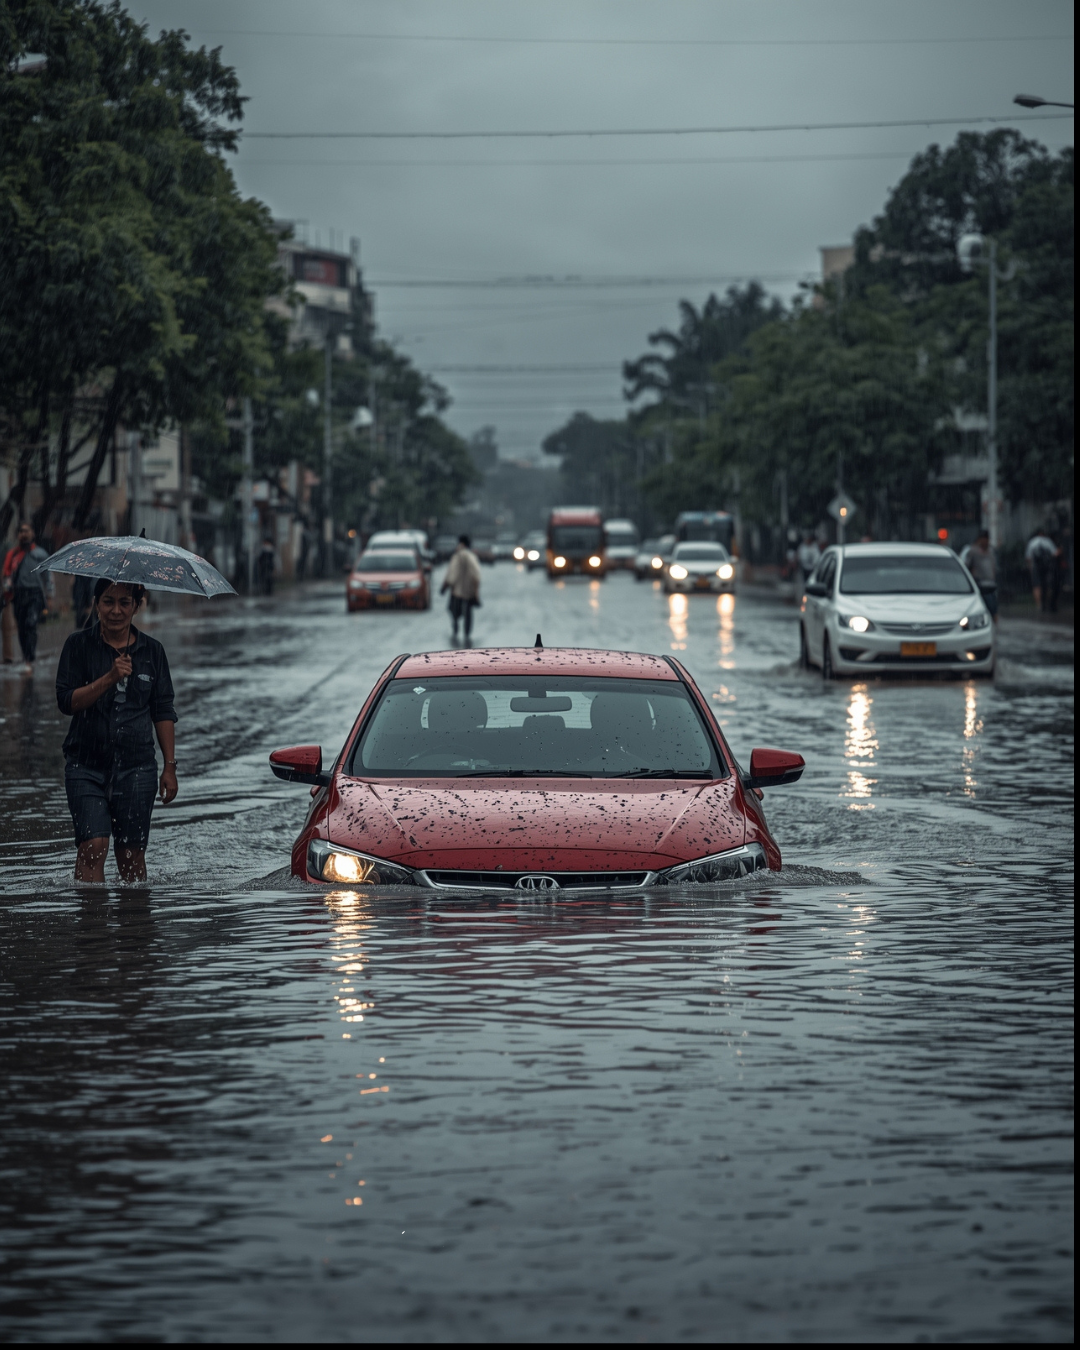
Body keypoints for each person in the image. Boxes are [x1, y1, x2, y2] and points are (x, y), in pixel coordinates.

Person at [55, 579, 178, 883]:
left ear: (138, 606)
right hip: (85, 765)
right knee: (93, 846)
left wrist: (170, 767)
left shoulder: (152, 652)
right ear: (96, 604)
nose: (116, 611)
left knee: (131, 854)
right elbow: (66, 702)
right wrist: (109, 678)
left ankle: (134, 926)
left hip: (137, 767)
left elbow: (162, 710)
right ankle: (92, 926)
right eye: (108, 601)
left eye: (125, 603)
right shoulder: (77, 645)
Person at [2, 521, 53, 672]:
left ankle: (30, 659)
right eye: (21, 531)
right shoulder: (13, 555)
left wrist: (50, 595)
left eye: (26, 531)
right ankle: (26, 656)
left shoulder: (40, 554)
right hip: (19, 595)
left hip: (35, 594)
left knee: (31, 623)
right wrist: (6, 593)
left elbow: (48, 576)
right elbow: (8, 576)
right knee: (22, 627)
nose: (24, 534)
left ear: (32, 534)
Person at [441, 534, 482, 642]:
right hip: (469, 591)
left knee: (453, 610)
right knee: (468, 614)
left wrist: (445, 586)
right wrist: (475, 591)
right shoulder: (472, 556)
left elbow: (451, 575)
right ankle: (467, 633)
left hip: (457, 591)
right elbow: (476, 575)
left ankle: (455, 627)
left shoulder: (457, 556)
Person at [960, 530, 998, 619]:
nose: (986, 541)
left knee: (994, 609)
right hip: (979, 584)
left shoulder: (991, 551)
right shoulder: (973, 551)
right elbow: (967, 566)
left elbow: (994, 566)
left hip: (991, 584)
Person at [1025, 529, 1057, 613]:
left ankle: (1039, 605)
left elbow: (1028, 557)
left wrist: (1030, 568)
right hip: (1047, 567)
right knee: (1048, 586)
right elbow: (1055, 553)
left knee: (1036, 586)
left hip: (1036, 567)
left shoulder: (1032, 542)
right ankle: (1047, 603)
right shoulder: (1048, 541)